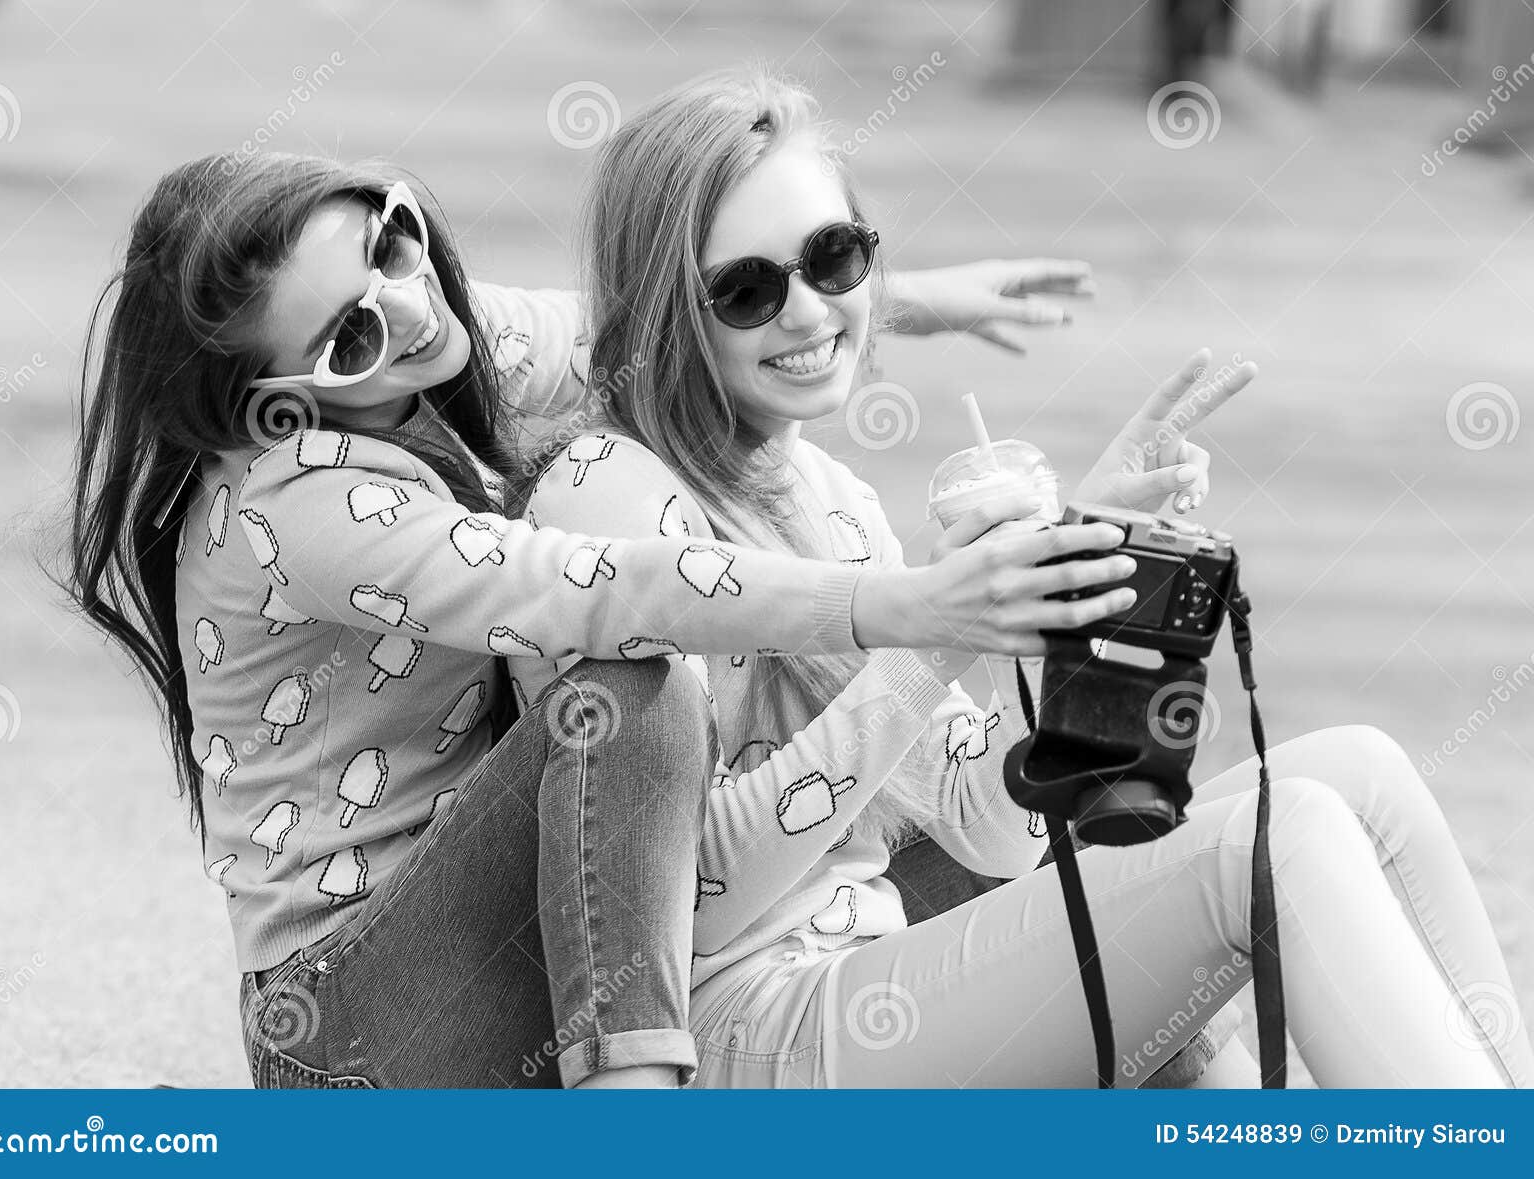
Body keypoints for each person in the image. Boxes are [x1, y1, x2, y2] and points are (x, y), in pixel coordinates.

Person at [513, 66, 1534, 1088]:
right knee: (1281, 838)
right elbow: (673, 911)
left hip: (866, 979)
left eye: (833, 257)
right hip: (734, 1034)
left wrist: (1078, 562)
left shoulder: (824, 493)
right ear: (663, 311)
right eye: (746, 289)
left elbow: (989, 830)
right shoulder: (611, 491)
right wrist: (935, 635)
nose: (807, 312)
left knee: (1356, 771)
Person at [59, 151, 1135, 1088]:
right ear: (277, 406)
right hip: (363, 1028)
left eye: (391, 243)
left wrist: (892, 295)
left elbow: (668, 323)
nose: (409, 306)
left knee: (989, 854)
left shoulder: (441, 346)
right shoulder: (298, 506)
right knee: (628, 683)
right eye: (349, 336)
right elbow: (599, 585)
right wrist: (907, 610)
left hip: (518, 944)